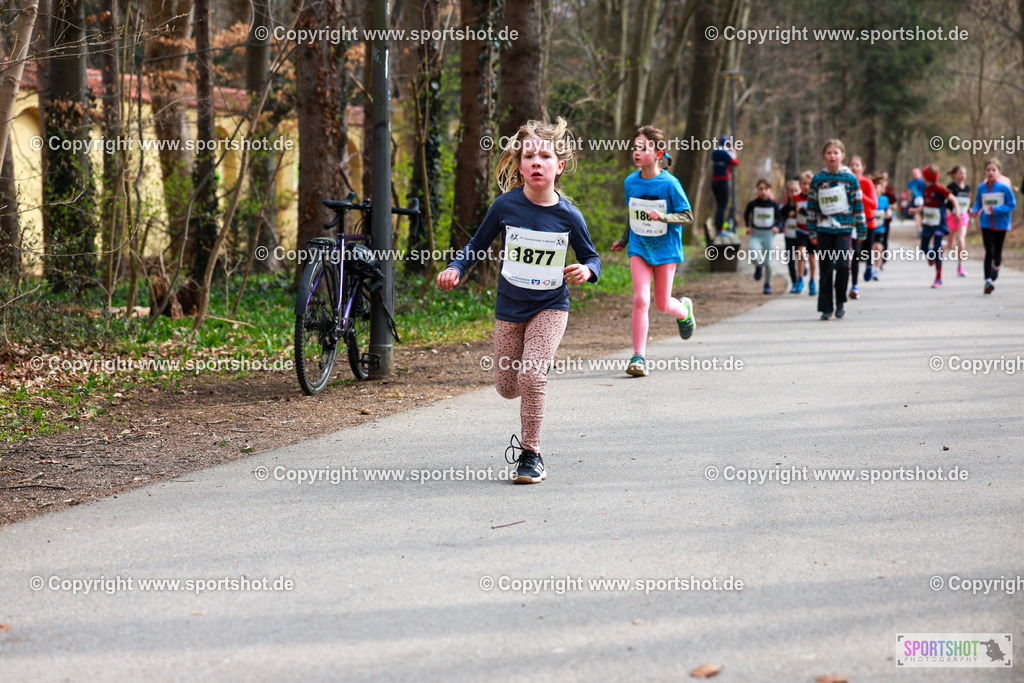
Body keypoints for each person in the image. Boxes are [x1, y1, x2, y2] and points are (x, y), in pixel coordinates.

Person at [437, 118, 601, 484]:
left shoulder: (569, 215)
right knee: (507, 386)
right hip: (510, 307)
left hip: (551, 306)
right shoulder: (505, 206)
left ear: (559, 167)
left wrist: (587, 272)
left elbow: (592, 258)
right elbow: (476, 246)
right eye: (529, 156)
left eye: (545, 155)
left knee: (532, 376)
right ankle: (529, 382)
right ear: (519, 165)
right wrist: (456, 267)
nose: (537, 162)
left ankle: (531, 455)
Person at [612, 125, 696, 377]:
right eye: (635, 148)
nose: (637, 153)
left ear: (658, 153)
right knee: (641, 299)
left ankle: (684, 310)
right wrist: (625, 239)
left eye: (643, 148)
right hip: (639, 246)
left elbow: (688, 215)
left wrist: (663, 216)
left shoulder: (670, 183)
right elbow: (632, 212)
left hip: (665, 248)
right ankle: (639, 357)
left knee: (661, 304)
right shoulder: (630, 181)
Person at [807, 139, 865, 320]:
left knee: (842, 265)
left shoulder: (850, 179)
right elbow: (812, 205)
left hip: (844, 228)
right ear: (824, 156)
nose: (832, 156)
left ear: (842, 155)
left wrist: (861, 227)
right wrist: (811, 230)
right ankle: (826, 307)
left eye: (836, 153)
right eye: (829, 153)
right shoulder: (818, 180)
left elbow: (857, 203)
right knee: (825, 268)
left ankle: (840, 301)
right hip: (824, 229)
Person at [970, 158, 1018, 294]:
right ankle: (987, 281)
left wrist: (995, 209)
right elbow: (978, 203)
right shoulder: (981, 188)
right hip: (985, 224)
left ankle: (996, 267)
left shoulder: (1004, 188)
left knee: (997, 253)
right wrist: (974, 211)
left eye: (993, 170)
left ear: (999, 172)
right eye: (988, 170)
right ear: (984, 172)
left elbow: (1012, 204)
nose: (990, 172)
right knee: (989, 252)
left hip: (1001, 224)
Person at [918, 164, 958, 288]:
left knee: (937, 249)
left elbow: (953, 199)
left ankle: (938, 278)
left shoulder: (939, 189)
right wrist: (916, 210)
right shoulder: (925, 189)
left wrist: (957, 211)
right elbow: (926, 203)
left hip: (939, 223)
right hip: (927, 223)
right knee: (924, 248)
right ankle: (931, 255)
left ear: (926, 177)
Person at [743, 178, 780, 295]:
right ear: (757, 190)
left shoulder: (774, 205)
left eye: (766, 189)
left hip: (768, 235)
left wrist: (776, 226)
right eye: (761, 189)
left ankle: (767, 284)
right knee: (753, 254)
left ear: (770, 191)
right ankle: (759, 265)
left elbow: (779, 219)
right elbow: (746, 214)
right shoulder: (753, 204)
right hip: (756, 234)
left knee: (769, 263)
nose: (763, 191)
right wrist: (748, 226)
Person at [848, 155, 877, 294]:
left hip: (869, 222)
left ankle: (870, 265)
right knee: (855, 253)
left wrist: (861, 195)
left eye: (857, 165)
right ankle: (854, 284)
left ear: (862, 168)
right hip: (853, 223)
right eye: (851, 165)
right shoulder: (846, 183)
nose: (854, 167)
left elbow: (874, 204)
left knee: (866, 251)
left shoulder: (867, 183)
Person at [945, 165, 971, 277]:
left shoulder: (968, 188)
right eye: (961, 173)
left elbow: (967, 202)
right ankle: (937, 250)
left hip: (963, 216)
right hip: (951, 217)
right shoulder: (951, 187)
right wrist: (946, 210)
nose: (963, 175)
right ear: (954, 175)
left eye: (964, 173)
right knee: (950, 244)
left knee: (961, 239)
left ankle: (960, 266)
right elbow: (945, 201)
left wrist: (970, 209)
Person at [711, 136, 739, 236]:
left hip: (714, 181)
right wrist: (733, 152)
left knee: (719, 205)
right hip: (723, 181)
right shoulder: (726, 152)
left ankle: (718, 228)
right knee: (723, 205)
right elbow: (735, 162)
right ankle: (720, 230)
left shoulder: (714, 152)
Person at [795, 170, 817, 296]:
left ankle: (812, 281)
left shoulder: (815, 198)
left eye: (809, 184)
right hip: (801, 230)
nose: (806, 187)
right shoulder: (797, 198)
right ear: (800, 184)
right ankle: (800, 279)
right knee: (801, 254)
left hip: (813, 231)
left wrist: (802, 210)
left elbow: (812, 213)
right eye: (803, 184)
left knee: (812, 258)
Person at [780, 180, 802, 292]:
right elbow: (780, 221)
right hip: (789, 237)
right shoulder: (784, 208)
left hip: (800, 236)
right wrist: (782, 226)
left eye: (796, 191)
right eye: (791, 191)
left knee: (801, 257)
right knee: (790, 260)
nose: (794, 194)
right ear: (787, 193)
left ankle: (803, 270)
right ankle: (794, 282)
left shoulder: (802, 206)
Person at [871, 174, 891, 279]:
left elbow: (888, 209)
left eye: (878, 187)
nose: (876, 189)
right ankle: (869, 266)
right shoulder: (868, 199)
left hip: (880, 228)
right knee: (870, 249)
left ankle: (877, 269)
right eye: (874, 187)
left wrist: (889, 213)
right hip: (869, 228)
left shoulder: (884, 199)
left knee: (878, 248)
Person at [908, 168, 925, 237]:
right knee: (917, 214)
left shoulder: (922, 182)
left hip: (921, 199)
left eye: (916, 173)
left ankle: (920, 228)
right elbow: (909, 191)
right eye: (914, 173)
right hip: (915, 199)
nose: (915, 174)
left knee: (918, 214)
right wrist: (909, 199)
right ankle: (920, 228)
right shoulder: (912, 182)